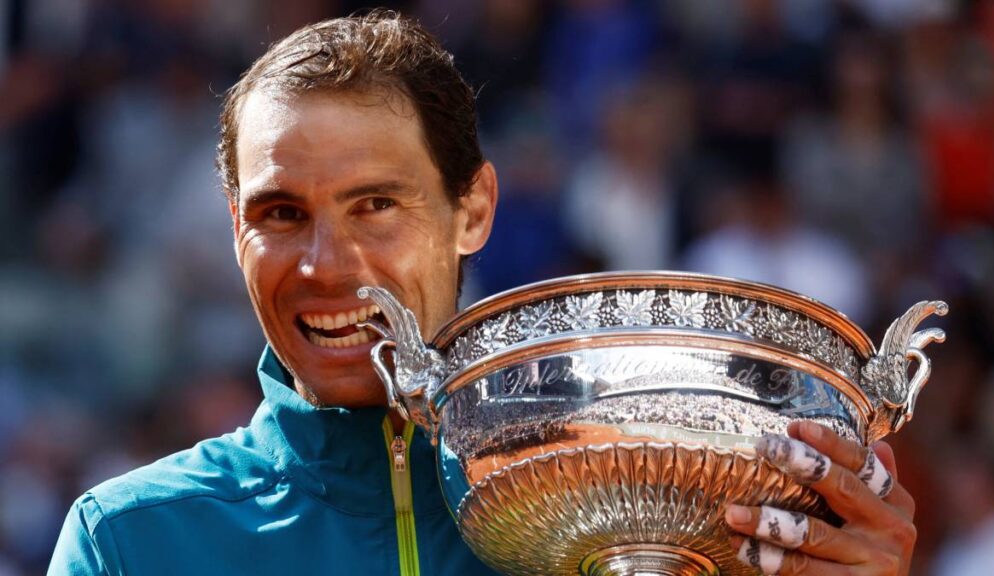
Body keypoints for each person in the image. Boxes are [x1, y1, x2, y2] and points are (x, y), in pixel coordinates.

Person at [48, 11, 917, 575]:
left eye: (376, 205)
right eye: (281, 213)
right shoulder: (132, 543)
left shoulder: (654, 507)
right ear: (236, 229)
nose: (327, 262)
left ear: (474, 210)